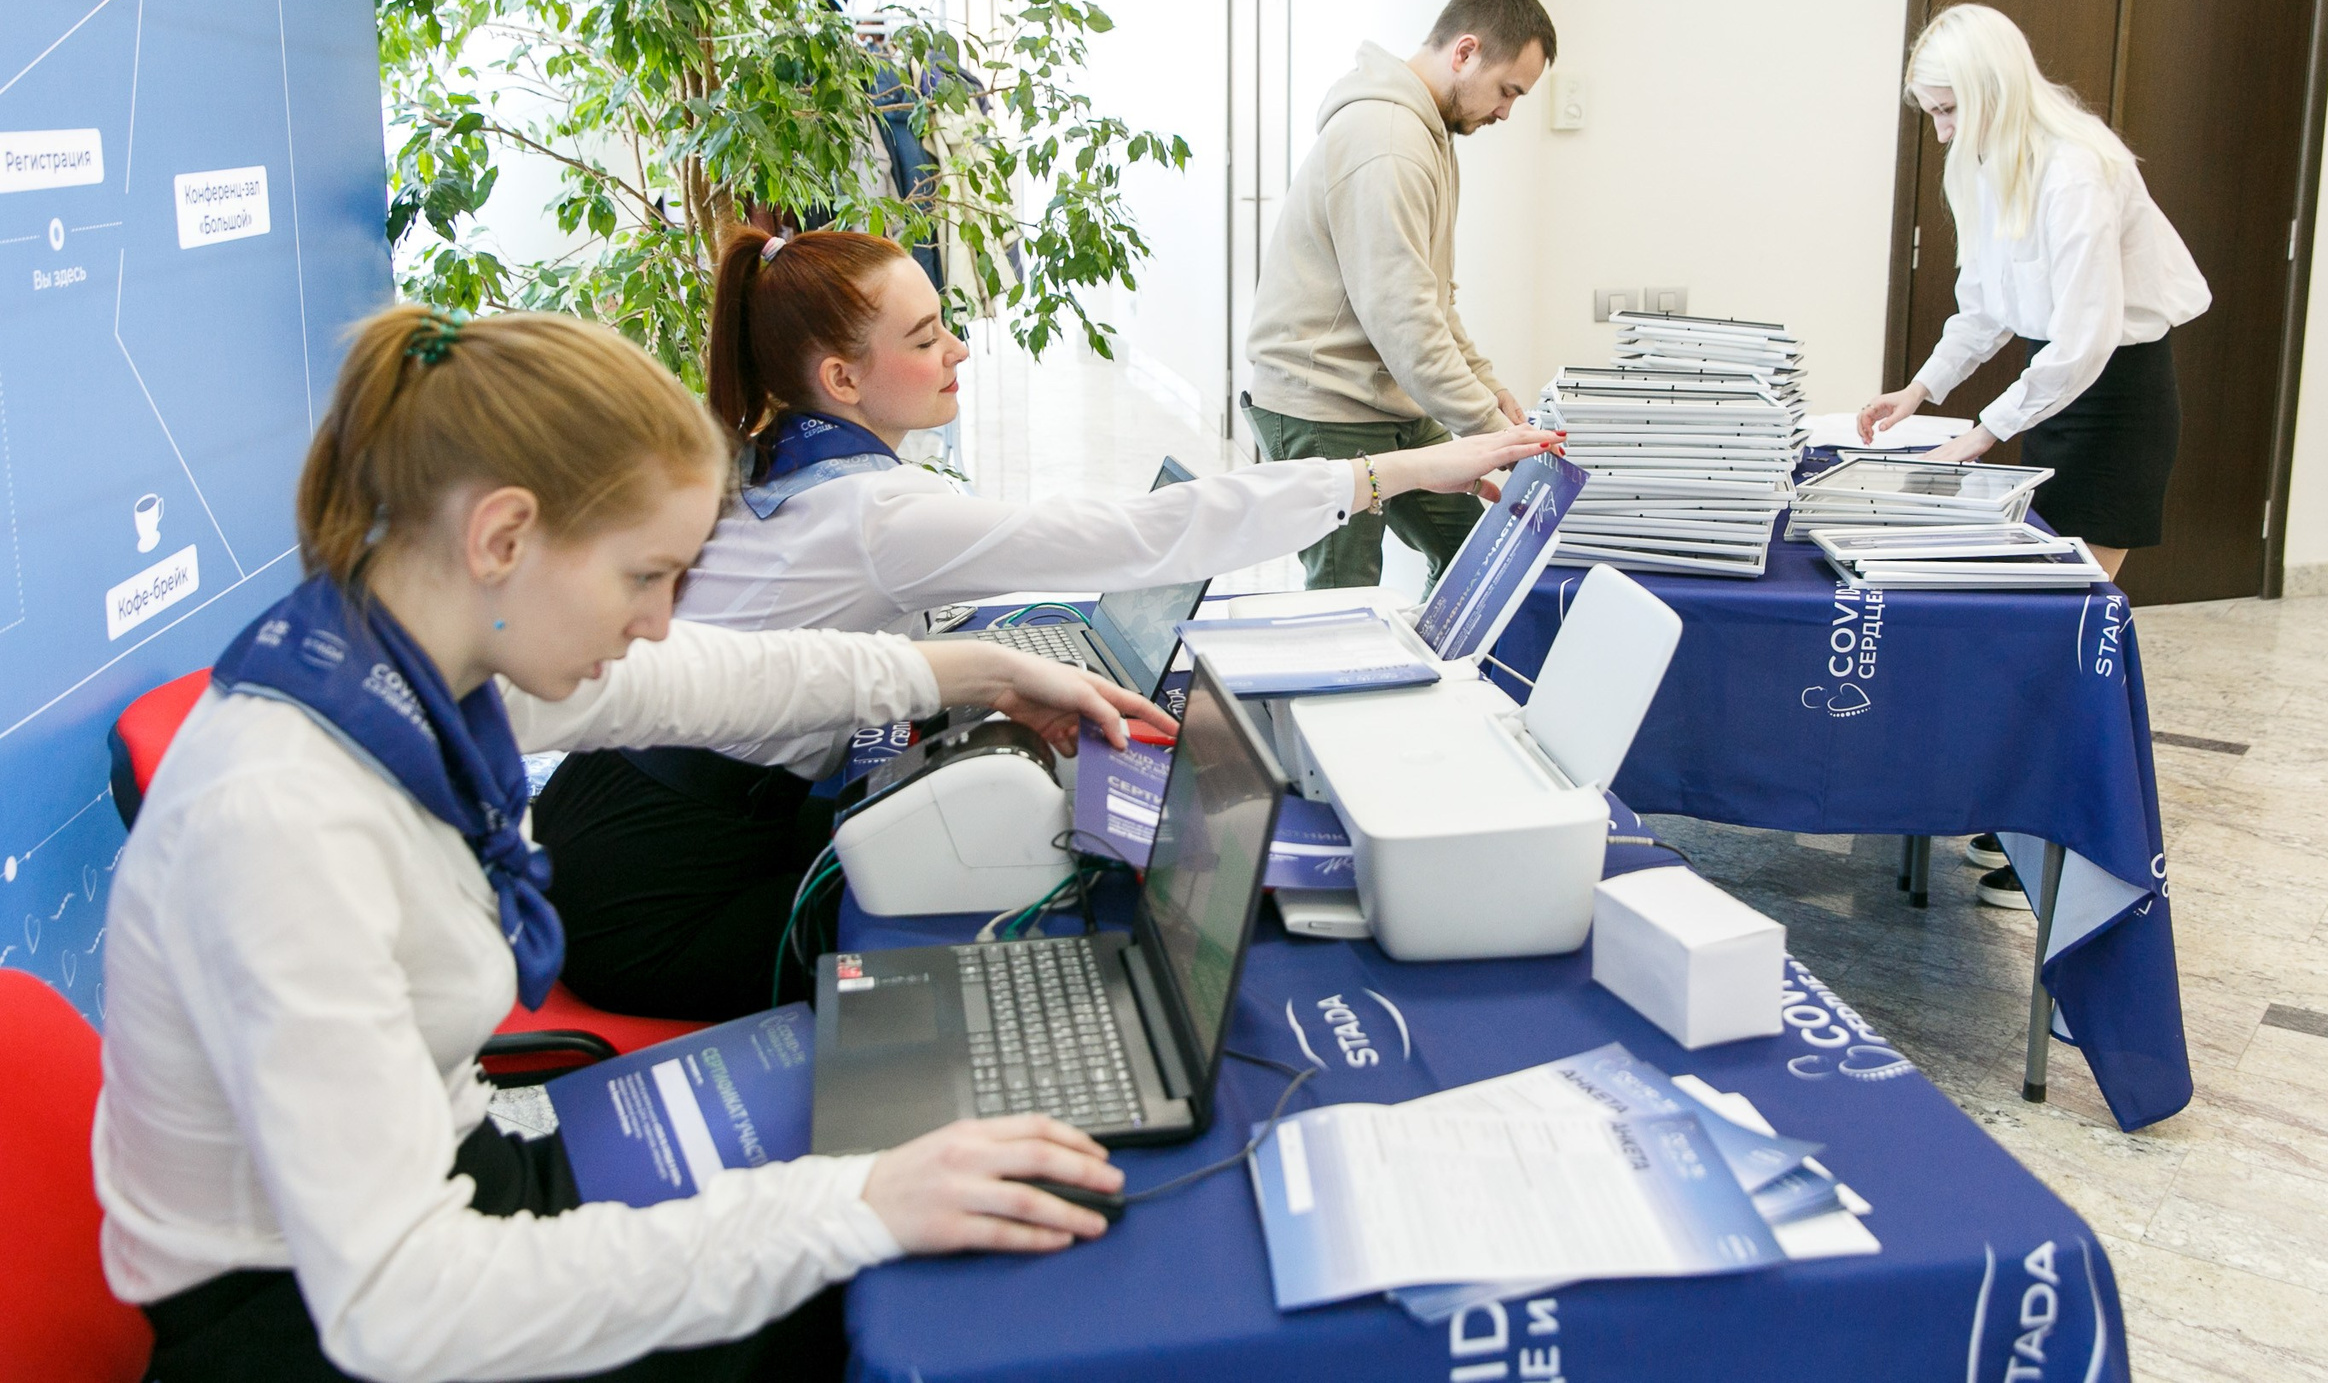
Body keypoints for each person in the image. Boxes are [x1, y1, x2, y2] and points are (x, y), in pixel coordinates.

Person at [97, 305, 1152, 1383]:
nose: (656, 620)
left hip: (446, 1187)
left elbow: (725, 675)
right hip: (321, 1320)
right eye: (644, 577)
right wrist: (854, 1207)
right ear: (502, 539)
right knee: (906, 1280)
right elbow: (404, 1307)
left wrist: (990, 671)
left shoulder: (406, 658)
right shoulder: (282, 822)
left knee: (887, 1140)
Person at [533, 223, 1561, 1021]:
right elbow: (1146, 533)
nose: (958, 349)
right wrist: (1401, 470)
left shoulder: (778, 453)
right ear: (840, 379)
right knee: (981, 954)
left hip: (623, 811)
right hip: (659, 892)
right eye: (925, 338)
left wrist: (987, 672)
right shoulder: (877, 515)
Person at [1858, 3, 2210, 910]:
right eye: (1931, 113)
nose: (1940, 132)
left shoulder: (2079, 168)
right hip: (2055, 386)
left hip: (2116, 398)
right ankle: (2017, 819)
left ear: (1991, 92)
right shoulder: (1985, 162)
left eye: (1948, 111)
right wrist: (1921, 390)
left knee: (2065, 636)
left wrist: (1985, 430)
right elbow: (1984, 304)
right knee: (2033, 627)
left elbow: (2086, 339)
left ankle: (2054, 844)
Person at [1243, 0, 1557, 589]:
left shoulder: (1429, 134)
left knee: (1476, 560)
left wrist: (1489, 390)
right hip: (1324, 405)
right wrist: (1496, 436)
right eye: (1507, 91)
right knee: (1343, 599)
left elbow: (1429, 296)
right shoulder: (1388, 141)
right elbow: (1405, 324)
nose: (1505, 112)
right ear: (1465, 52)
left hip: (1386, 397)